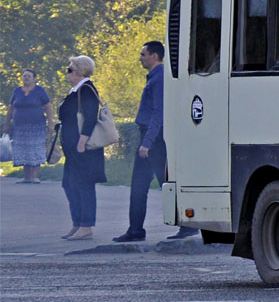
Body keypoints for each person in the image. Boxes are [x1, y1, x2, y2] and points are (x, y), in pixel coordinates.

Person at [114, 41, 198, 242]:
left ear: (154, 56)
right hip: (151, 138)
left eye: (143, 54)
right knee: (141, 185)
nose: (140, 58)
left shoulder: (159, 78)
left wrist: (147, 143)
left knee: (164, 182)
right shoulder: (155, 76)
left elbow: (158, 112)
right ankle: (135, 229)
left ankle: (186, 225)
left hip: (155, 140)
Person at [57, 55, 106, 241]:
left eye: (70, 69)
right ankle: (77, 222)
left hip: (83, 148)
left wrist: (82, 141)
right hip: (72, 147)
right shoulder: (75, 90)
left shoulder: (86, 89)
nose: (67, 73)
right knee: (69, 184)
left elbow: (90, 116)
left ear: (80, 71)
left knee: (84, 185)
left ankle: (86, 226)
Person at [3, 69, 54, 183]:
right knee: (23, 150)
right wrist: (6, 124)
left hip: (37, 126)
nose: (26, 78)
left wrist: (50, 123)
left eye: (29, 76)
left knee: (36, 149)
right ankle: (26, 177)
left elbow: (48, 107)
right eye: (24, 76)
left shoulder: (39, 91)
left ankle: (35, 177)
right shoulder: (17, 91)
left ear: (34, 78)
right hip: (20, 127)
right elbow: (11, 108)